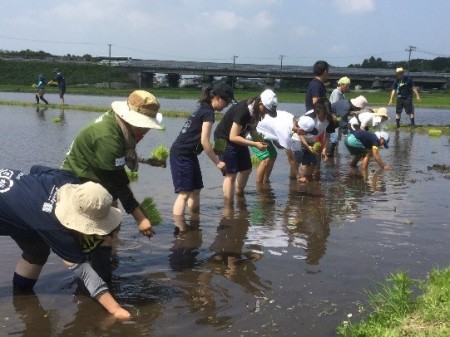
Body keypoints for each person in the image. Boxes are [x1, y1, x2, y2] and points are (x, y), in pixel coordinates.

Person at [0, 165, 130, 320]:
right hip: (15, 210)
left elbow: (35, 169)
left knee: (37, 251)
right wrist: (115, 309)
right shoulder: (52, 227)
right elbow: (84, 273)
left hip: (15, 198)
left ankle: (21, 297)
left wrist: (28, 196)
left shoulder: (66, 178)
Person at [61, 90, 164, 281]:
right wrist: (140, 218)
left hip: (100, 178)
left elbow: (119, 162)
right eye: (143, 126)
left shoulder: (119, 126)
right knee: (93, 231)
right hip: (80, 182)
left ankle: (106, 261)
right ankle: (94, 280)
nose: (146, 131)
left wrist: (148, 161)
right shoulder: (107, 136)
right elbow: (118, 182)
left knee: (110, 226)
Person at [170, 83, 233, 218]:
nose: (226, 105)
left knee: (196, 189)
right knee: (185, 193)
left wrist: (214, 151)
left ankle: (194, 220)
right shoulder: (208, 112)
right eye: (226, 101)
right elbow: (205, 141)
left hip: (190, 154)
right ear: (218, 98)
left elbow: (201, 140)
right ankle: (180, 229)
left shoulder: (204, 108)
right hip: (181, 153)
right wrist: (217, 162)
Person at [214, 89, 277, 205]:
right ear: (260, 103)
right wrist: (254, 144)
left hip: (237, 137)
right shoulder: (243, 111)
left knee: (246, 169)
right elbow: (233, 136)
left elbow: (252, 129)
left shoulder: (257, 112)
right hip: (221, 139)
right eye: (266, 110)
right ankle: (228, 205)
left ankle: (239, 194)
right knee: (230, 174)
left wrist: (259, 140)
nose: (266, 113)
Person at [254, 110, 319, 181]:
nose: (306, 134)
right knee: (266, 158)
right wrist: (298, 176)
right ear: (299, 127)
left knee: (273, 155)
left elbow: (298, 134)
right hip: (254, 130)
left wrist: (307, 146)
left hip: (266, 131)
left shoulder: (294, 121)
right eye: (306, 132)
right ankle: (260, 188)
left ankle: (266, 181)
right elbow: (290, 158)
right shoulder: (284, 130)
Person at [294, 98, 334, 182]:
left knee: (313, 162)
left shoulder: (329, 120)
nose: (318, 112)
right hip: (298, 138)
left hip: (311, 140)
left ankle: (304, 180)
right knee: (302, 162)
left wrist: (324, 150)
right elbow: (299, 131)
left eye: (320, 110)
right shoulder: (310, 116)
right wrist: (306, 146)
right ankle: (296, 182)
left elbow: (327, 136)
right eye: (317, 109)